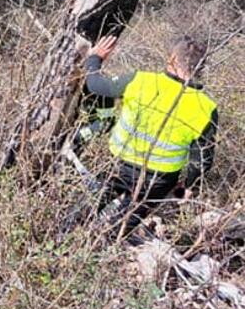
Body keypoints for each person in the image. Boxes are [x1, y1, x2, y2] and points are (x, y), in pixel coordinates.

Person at [85, 34, 218, 228]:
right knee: (123, 225)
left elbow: (96, 86)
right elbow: (202, 161)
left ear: (172, 59)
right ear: (201, 67)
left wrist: (94, 59)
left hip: (118, 165)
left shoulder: (140, 80)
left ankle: (70, 237)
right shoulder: (206, 107)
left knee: (85, 211)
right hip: (158, 180)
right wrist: (188, 185)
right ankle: (109, 242)